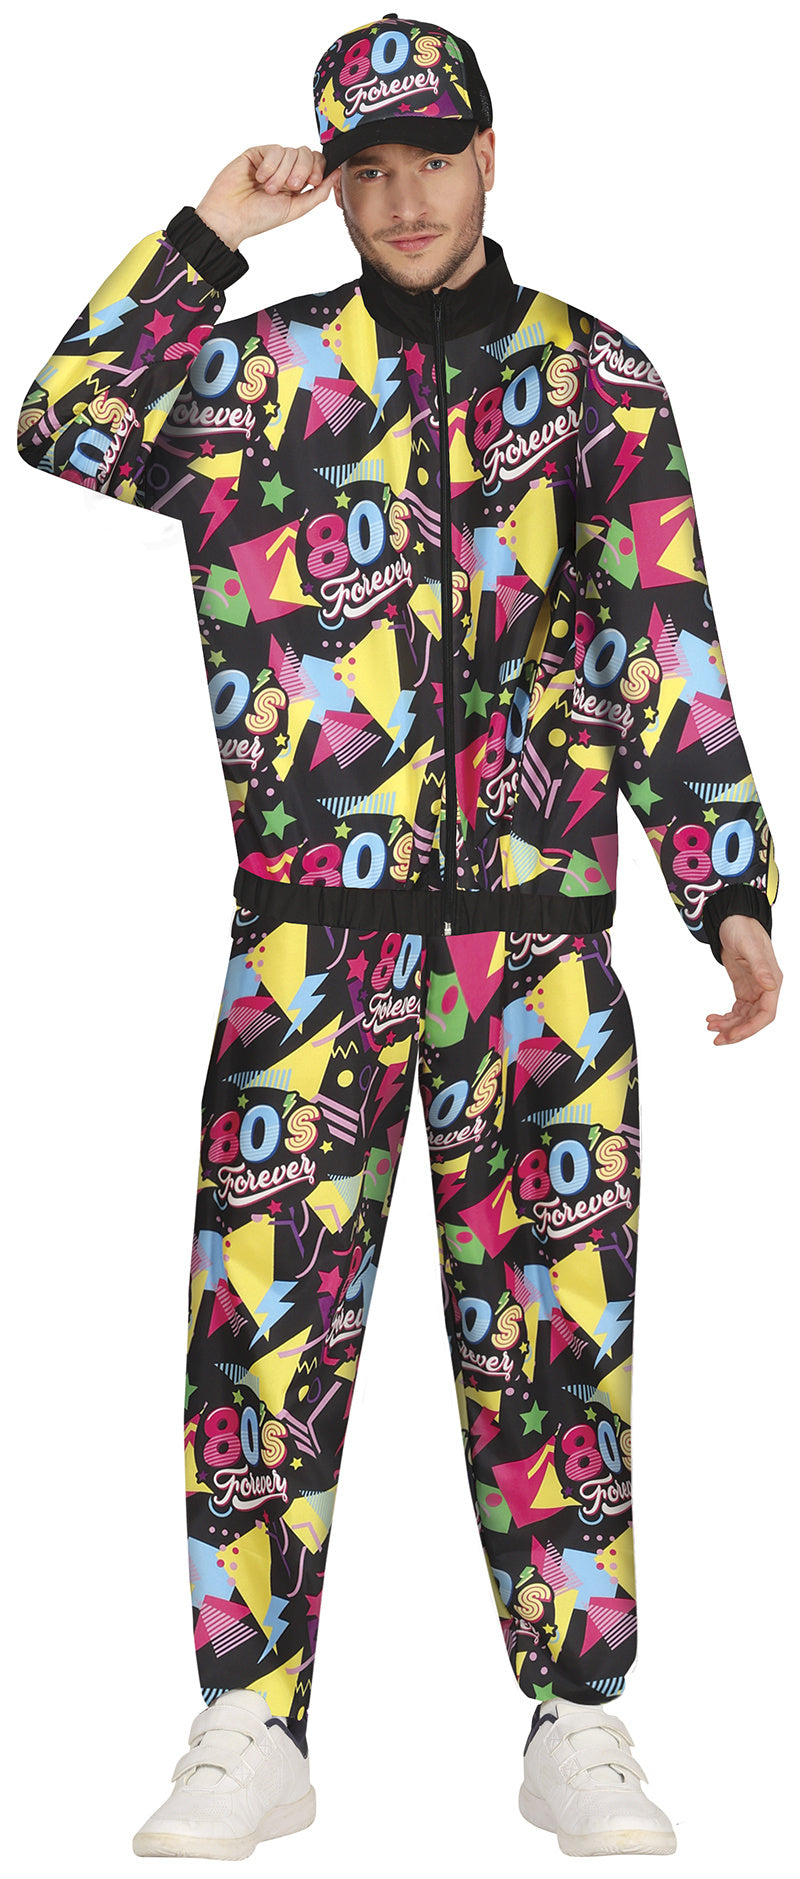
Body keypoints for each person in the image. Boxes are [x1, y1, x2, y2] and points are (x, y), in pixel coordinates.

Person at [16, 9, 783, 1861]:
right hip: (310, 946)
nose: (403, 197)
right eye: (366, 168)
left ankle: (577, 1723)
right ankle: (247, 1723)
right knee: (260, 1339)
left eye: (433, 158)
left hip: (537, 952)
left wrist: (730, 889)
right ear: (335, 182)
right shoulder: (261, 376)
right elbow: (63, 420)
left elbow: (663, 634)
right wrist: (209, 235)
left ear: (490, 156)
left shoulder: (596, 381)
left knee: (559, 1335)